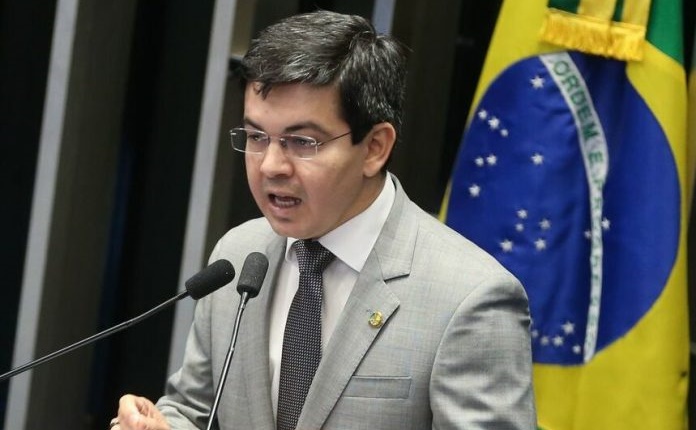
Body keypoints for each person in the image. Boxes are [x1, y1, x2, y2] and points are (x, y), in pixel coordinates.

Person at [111, 9, 536, 430]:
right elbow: (193, 408)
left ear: (374, 148)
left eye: (301, 141)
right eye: (256, 136)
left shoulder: (469, 299)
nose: (270, 166)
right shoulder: (239, 256)